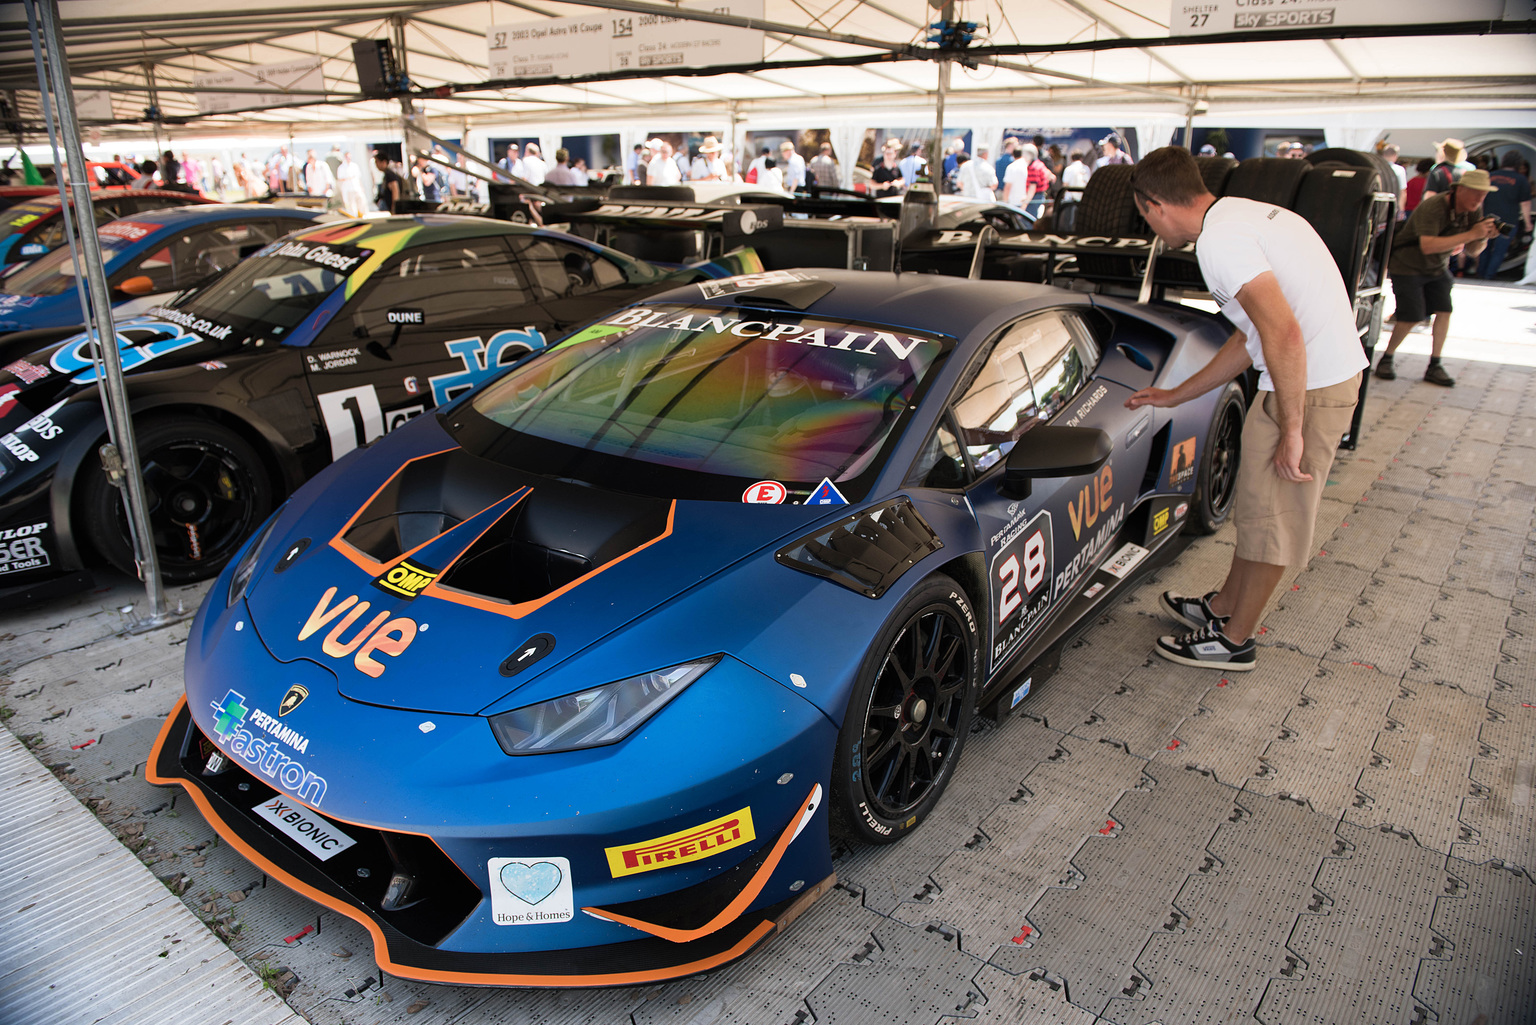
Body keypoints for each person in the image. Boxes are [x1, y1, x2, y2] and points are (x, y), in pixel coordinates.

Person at [1124, 145, 1365, 671]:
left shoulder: (1220, 245)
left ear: (1153, 205)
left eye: (1145, 218)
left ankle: (1235, 640)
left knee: (1275, 518)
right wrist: (1175, 394)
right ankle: (1225, 605)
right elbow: (1253, 333)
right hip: (1302, 380)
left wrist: (1294, 428)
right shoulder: (1241, 215)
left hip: (1306, 388)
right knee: (1259, 508)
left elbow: (1283, 332)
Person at [1373, 169, 1500, 387]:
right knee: (1411, 316)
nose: (1479, 199)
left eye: (1483, 194)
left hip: (1437, 268)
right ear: (1459, 190)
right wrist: (1472, 234)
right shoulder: (1434, 206)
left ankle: (1435, 364)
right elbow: (1427, 245)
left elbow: (1472, 250)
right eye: (1475, 193)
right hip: (1408, 265)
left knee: (1444, 311)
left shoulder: (1474, 210)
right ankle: (1387, 358)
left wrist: (1483, 237)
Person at [1476, 151, 1532, 279]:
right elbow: (1525, 204)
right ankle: (1489, 276)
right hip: (1509, 221)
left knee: (1484, 247)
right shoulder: (1521, 180)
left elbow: (1481, 199)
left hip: (1488, 218)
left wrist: (1479, 216)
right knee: (1499, 251)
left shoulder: (1490, 176)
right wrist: (1528, 223)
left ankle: (1480, 273)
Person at [1004, 142, 1052, 218]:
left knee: (1027, 220)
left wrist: (1025, 204)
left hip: (1035, 197)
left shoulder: (1033, 168)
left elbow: (1032, 188)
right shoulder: (1039, 164)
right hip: (1039, 195)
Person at [1057, 150, 1090, 229]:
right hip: (1083, 199)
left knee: (1068, 222)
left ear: (1071, 159)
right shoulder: (1086, 169)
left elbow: (1065, 184)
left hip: (1069, 199)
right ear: (1081, 158)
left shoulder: (1069, 169)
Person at [335, 151, 368, 217]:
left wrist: (361, 187)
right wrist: (348, 178)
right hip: (348, 189)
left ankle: (362, 215)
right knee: (351, 205)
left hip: (356, 187)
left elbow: (358, 178)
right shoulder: (341, 167)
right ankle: (354, 217)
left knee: (361, 202)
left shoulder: (354, 166)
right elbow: (340, 179)